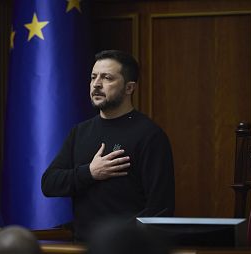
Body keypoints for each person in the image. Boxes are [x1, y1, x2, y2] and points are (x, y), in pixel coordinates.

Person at [41, 49, 175, 241]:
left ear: (129, 88)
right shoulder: (80, 132)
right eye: (93, 77)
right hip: (82, 245)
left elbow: (160, 209)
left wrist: (119, 239)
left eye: (107, 78)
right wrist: (90, 173)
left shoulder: (150, 135)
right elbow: (49, 184)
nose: (96, 84)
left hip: (128, 248)